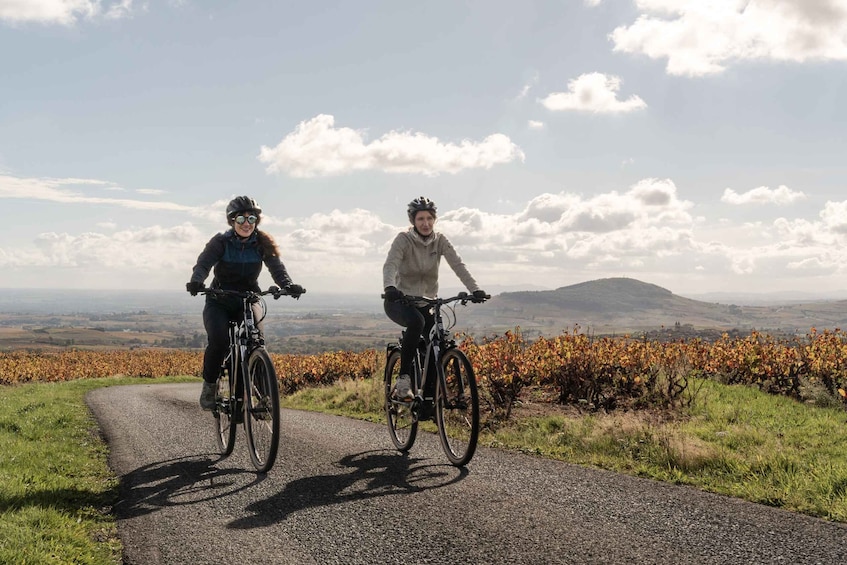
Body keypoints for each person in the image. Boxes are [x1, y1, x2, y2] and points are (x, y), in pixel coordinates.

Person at [186, 195, 304, 410]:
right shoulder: (220, 241)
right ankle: (209, 388)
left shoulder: (262, 242)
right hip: (219, 300)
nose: (247, 224)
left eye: (251, 219)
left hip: (248, 298)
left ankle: (263, 397)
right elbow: (203, 264)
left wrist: (288, 285)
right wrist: (196, 282)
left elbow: (277, 268)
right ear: (232, 221)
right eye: (241, 219)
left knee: (256, 341)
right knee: (219, 342)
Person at [382, 196, 487, 401]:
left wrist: (475, 289)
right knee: (416, 322)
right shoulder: (403, 239)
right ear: (413, 221)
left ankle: (429, 396)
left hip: (426, 301)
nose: (426, 223)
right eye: (421, 218)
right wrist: (390, 287)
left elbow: (458, 265)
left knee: (438, 338)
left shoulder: (440, 241)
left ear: (434, 220)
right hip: (399, 301)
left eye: (429, 218)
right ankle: (403, 381)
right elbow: (390, 265)